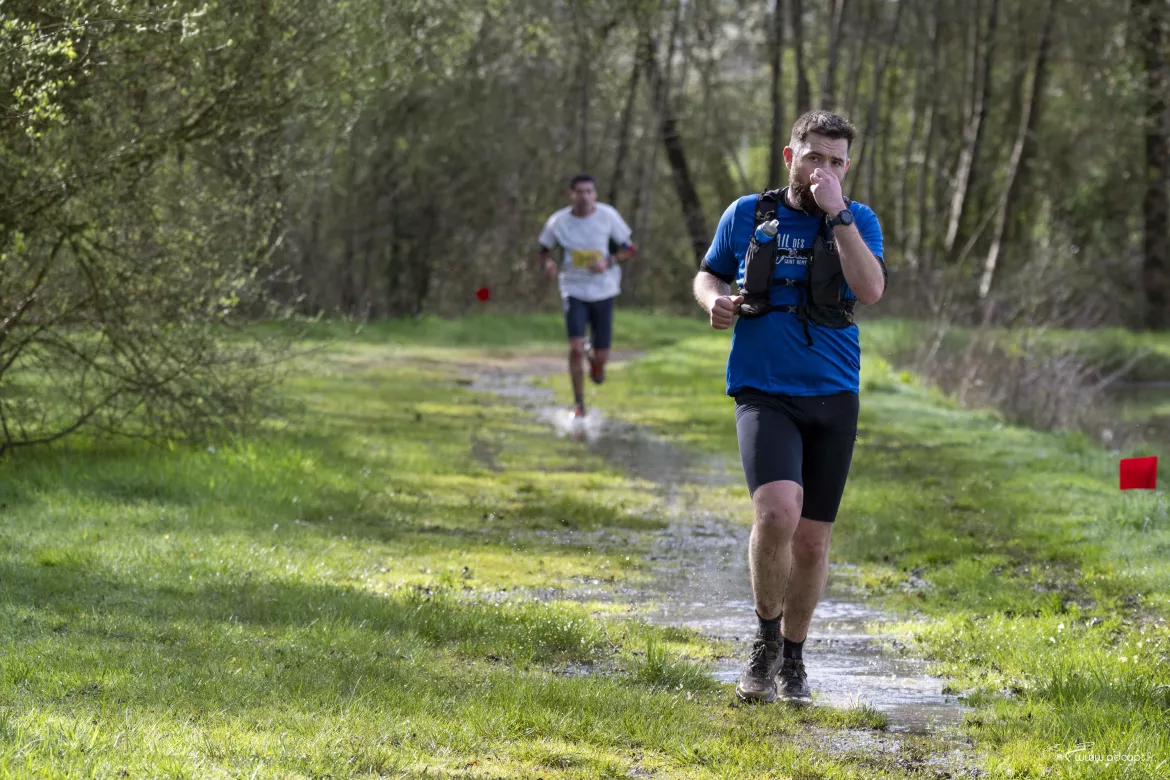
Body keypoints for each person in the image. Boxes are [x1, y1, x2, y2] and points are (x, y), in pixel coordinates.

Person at [692, 111, 886, 703]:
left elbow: (871, 290)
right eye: (814, 157)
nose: (824, 170)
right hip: (763, 387)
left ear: (847, 167)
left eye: (836, 162)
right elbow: (708, 274)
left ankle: (794, 659)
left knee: (811, 541)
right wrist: (713, 300)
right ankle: (765, 642)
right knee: (778, 513)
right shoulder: (747, 213)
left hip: (833, 391)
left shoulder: (860, 220)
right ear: (789, 156)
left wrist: (839, 215)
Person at [538, 174, 636, 418]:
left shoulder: (608, 216)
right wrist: (548, 264)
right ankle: (579, 404)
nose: (584, 197)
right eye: (580, 192)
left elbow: (629, 248)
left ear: (595, 194)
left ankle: (595, 360)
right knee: (575, 348)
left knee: (602, 357)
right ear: (571, 194)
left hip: (604, 289)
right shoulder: (559, 221)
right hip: (573, 289)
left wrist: (608, 262)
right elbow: (544, 249)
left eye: (589, 191)